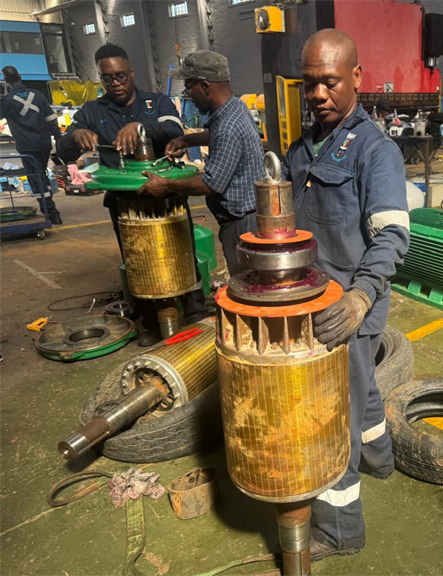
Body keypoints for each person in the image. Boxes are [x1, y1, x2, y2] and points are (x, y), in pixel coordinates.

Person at [283, 29, 410, 560]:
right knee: (363, 391)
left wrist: (359, 298)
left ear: (356, 77)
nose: (317, 94)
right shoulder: (301, 148)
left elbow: (392, 235)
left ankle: (340, 531)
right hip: (312, 302)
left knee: (336, 417)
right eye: (309, 83)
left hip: (350, 310)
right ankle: (382, 460)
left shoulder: (376, 152)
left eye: (330, 82)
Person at [58, 44, 208, 346]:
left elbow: (173, 128)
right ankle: (149, 321)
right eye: (108, 78)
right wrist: (75, 135)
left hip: (166, 195)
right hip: (125, 203)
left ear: (131, 73)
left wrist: (141, 127)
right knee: (136, 259)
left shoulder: (156, 102)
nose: (115, 83)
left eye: (121, 76)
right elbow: (63, 149)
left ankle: (195, 308)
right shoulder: (93, 111)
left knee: (182, 250)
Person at [137, 50, 265, 275]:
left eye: (189, 87)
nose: (188, 95)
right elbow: (218, 136)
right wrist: (187, 139)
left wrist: (167, 185)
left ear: (205, 86)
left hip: (241, 225)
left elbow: (211, 183)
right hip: (247, 217)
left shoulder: (227, 126)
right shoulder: (235, 108)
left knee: (247, 283)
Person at [0, 66, 62, 224]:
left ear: (5, 80)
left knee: (36, 179)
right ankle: (49, 207)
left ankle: (51, 213)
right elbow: (51, 118)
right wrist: (57, 136)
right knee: (42, 174)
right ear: (20, 76)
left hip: (27, 146)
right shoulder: (38, 95)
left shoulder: (7, 101)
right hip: (44, 143)